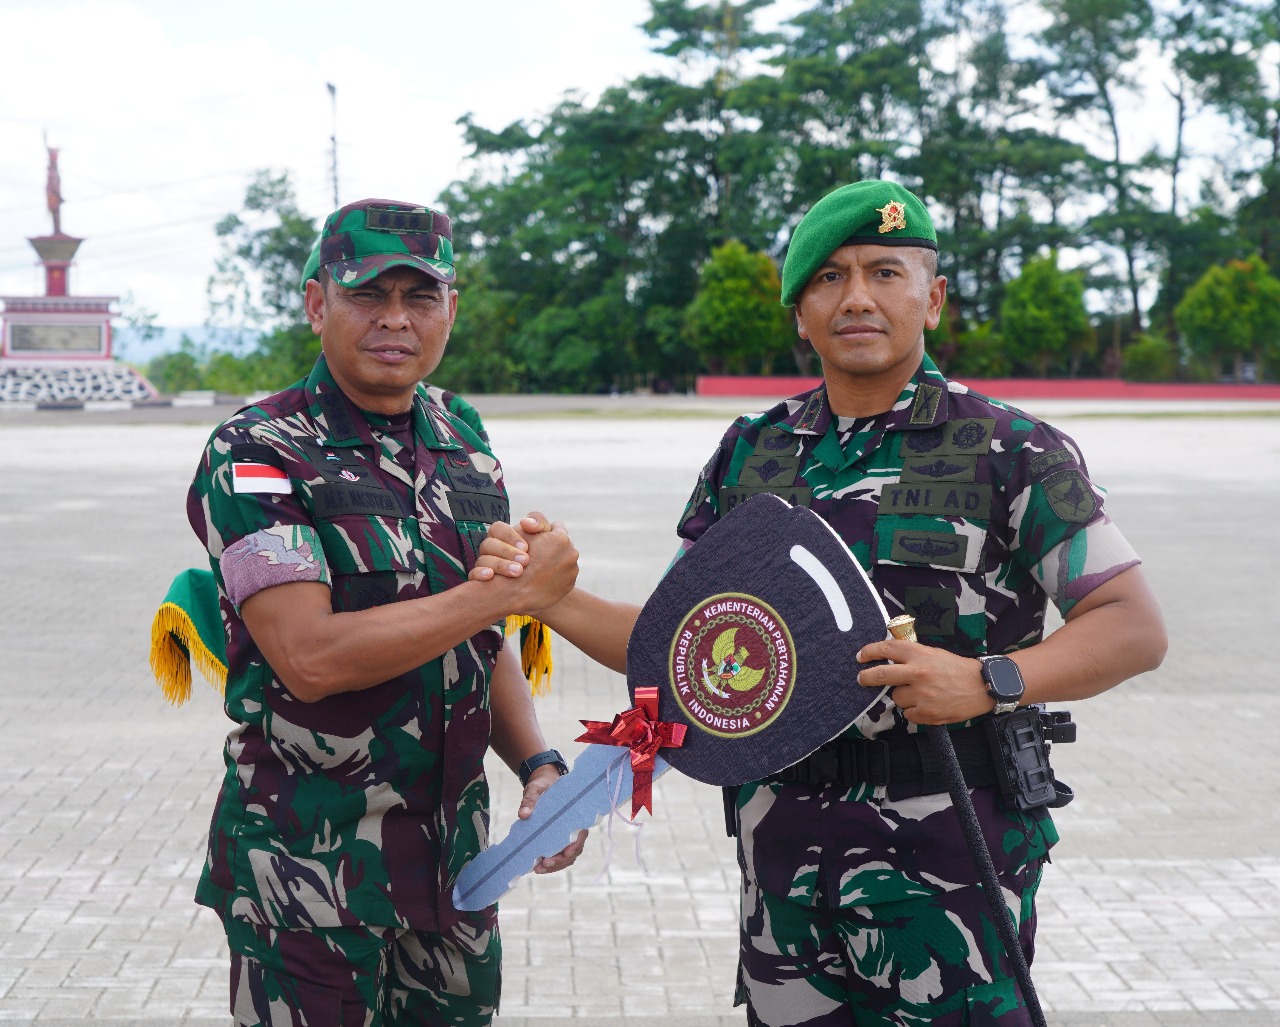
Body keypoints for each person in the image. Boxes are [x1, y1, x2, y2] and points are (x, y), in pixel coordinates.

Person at [475, 181, 1167, 1025]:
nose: (858, 297)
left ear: (933, 299)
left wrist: (989, 679)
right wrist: (553, 599)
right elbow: (681, 647)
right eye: (830, 278)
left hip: (950, 866)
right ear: (801, 314)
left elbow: (1133, 625)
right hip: (786, 873)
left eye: (885, 272)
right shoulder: (753, 453)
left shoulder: (1009, 448)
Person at [187, 197, 584, 1027]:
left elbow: (481, 638)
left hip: (454, 877)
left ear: (451, 309)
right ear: (316, 303)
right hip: (307, 883)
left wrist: (540, 765)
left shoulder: (463, 440)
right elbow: (309, 657)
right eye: (368, 294)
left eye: (420, 296)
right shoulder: (257, 451)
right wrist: (503, 592)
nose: (396, 319)